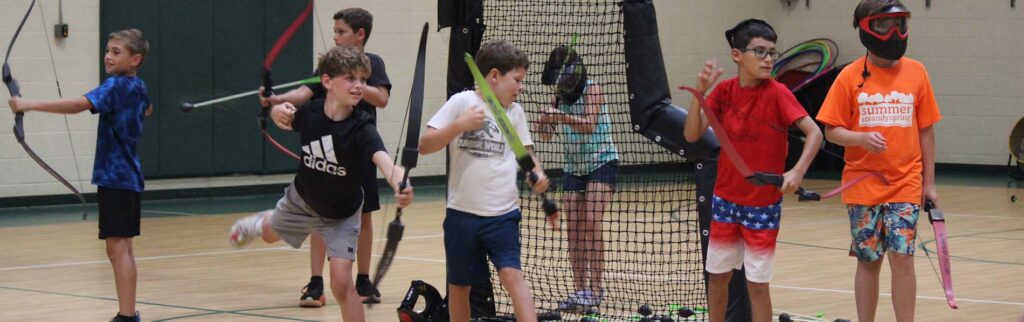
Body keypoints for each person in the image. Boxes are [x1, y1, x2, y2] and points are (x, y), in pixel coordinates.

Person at [228, 45, 413, 322]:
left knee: (341, 283)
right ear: (327, 81)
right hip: (301, 201)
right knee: (268, 234)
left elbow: (387, 164)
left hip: (341, 214)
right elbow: (286, 119)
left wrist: (401, 182)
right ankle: (258, 223)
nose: (359, 86)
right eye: (350, 78)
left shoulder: (363, 128)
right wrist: (279, 112)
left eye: (362, 80)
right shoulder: (310, 113)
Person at [682, 19, 823, 322]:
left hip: (762, 205)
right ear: (737, 55)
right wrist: (700, 94)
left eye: (772, 52)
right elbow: (692, 134)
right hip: (725, 201)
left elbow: (815, 133)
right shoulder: (724, 91)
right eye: (759, 52)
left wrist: (797, 172)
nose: (768, 59)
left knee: (757, 286)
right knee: (718, 278)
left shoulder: (778, 93)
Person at [8, 29, 153, 322]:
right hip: (128, 176)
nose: (108, 56)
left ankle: (127, 316)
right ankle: (128, 314)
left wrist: (28, 104)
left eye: (116, 52)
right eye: (108, 50)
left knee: (117, 249)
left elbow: (78, 105)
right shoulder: (137, 87)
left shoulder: (116, 86)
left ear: (135, 59)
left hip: (116, 178)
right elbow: (147, 110)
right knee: (123, 247)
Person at [816, 1, 940, 321]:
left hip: (906, 184)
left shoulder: (918, 72)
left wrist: (929, 184)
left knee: (903, 259)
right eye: (885, 24)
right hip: (863, 185)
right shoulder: (848, 76)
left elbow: (926, 131)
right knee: (869, 261)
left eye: (900, 23)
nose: (895, 33)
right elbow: (831, 131)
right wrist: (860, 138)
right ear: (865, 28)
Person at [260, 7, 392, 306]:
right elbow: (304, 92)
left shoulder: (374, 64)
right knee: (319, 209)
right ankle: (316, 282)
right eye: (334, 32)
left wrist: (354, 81)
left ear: (359, 34)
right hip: (325, 145)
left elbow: (382, 99)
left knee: (364, 212)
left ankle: (363, 279)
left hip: (359, 149)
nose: (335, 37)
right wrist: (277, 100)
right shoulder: (329, 66)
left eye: (341, 32)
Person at [419, 39, 550, 322]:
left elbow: (526, 153)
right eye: (517, 80)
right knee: (459, 288)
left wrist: (537, 173)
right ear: (493, 76)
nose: (521, 87)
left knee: (513, 277)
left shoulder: (515, 113)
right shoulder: (462, 103)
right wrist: (459, 125)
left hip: (502, 215)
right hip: (462, 215)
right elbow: (425, 145)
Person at [534, 45, 619, 312]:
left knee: (592, 221)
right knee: (573, 227)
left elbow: (588, 125)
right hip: (573, 166)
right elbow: (547, 136)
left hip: (601, 161)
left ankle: (595, 290)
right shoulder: (558, 97)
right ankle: (580, 289)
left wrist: (559, 116)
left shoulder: (593, 89)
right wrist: (544, 124)